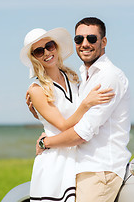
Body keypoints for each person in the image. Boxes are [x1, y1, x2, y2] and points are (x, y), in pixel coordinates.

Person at [35, 17, 131, 202]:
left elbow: (82, 133)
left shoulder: (109, 77)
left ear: (103, 42)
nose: (84, 44)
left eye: (91, 39)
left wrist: (46, 143)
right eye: (79, 39)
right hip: (80, 168)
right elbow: (69, 116)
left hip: (99, 169)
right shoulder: (83, 77)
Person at [20, 27, 115, 202]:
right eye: (39, 51)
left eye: (49, 46)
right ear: (34, 58)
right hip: (55, 162)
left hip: (77, 156)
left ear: (56, 46)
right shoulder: (36, 89)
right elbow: (63, 125)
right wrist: (87, 103)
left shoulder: (72, 77)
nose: (47, 53)